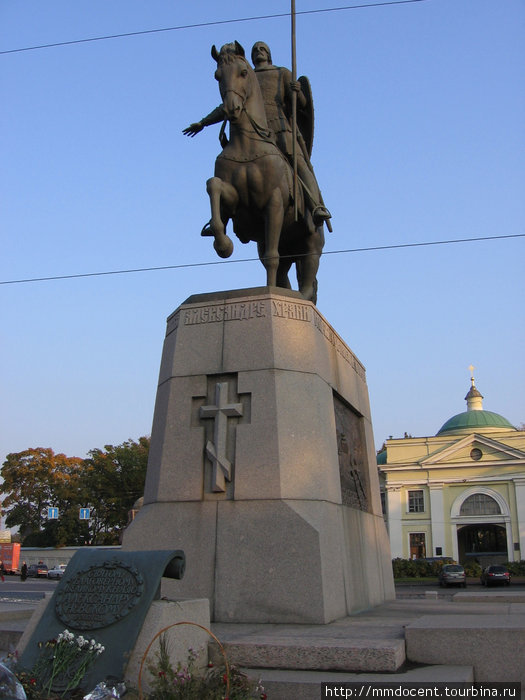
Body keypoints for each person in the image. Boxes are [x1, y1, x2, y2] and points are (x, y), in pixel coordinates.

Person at [183, 41, 331, 227]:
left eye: (263, 49)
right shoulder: (245, 76)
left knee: (300, 164)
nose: (259, 52)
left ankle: (316, 206)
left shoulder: (281, 73)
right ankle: (220, 217)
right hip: (252, 131)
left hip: (280, 128)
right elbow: (228, 105)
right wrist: (204, 122)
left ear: (269, 54)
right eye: (255, 50)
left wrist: (297, 92)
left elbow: (300, 104)